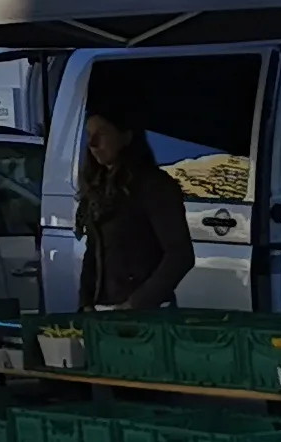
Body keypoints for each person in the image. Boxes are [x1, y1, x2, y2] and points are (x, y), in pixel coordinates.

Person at [78, 108, 195, 313]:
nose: (92, 143)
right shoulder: (99, 188)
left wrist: (137, 303)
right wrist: (85, 303)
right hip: (103, 308)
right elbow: (93, 252)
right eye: (88, 135)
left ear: (126, 137)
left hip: (146, 314)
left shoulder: (154, 186)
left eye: (102, 134)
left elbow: (180, 254)